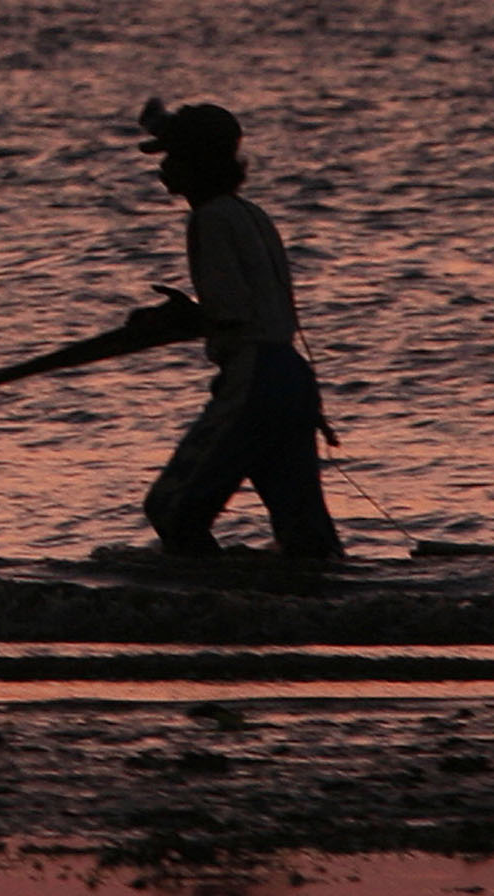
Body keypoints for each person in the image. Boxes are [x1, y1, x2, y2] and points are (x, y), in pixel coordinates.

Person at [135, 98, 345, 564]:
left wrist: (167, 321)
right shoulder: (252, 214)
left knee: (170, 510)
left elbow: (228, 312)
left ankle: (200, 601)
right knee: (305, 531)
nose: (164, 169)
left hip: (255, 378)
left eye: (173, 158)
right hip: (292, 378)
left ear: (197, 164)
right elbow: (255, 303)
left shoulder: (208, 220)